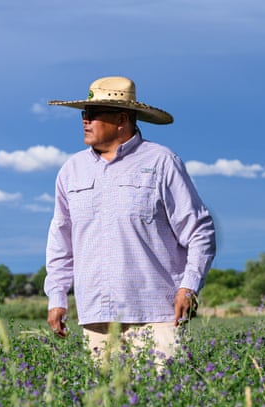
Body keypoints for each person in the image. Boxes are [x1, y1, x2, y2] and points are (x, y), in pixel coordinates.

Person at [44, 76, 216, 365]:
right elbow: (61, 241)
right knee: (107, 405)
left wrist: (188, 287)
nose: (84, 121)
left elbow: (199, 231)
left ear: (122, 119)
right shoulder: (71, 170)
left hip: (158, 316)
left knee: (163, 402)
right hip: (96, 317)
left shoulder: (161, 162)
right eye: (84, 114)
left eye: (93, 114)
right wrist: (57, 297)